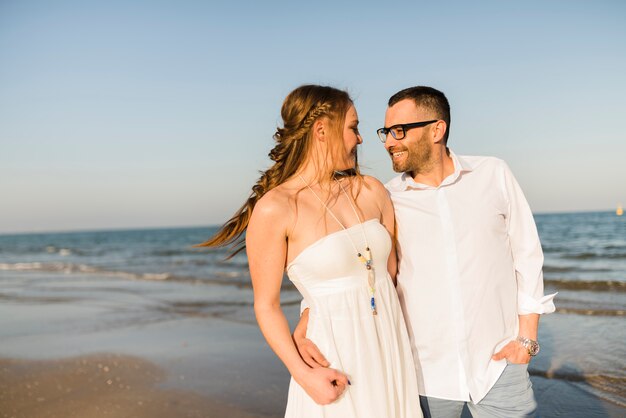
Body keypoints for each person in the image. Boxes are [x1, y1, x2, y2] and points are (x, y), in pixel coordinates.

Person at [295, 86, 557, 418]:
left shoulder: (493, 174)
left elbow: (528, 255)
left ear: (437, 129)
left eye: (399, 131)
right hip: (423, 377)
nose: (389, 141)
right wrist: (308, 317)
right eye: (385, 132)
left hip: (498, 368)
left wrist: (526, 340)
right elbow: (355, 267)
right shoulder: (385, 198)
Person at [199, 85, 422, 418]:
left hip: (389, 349)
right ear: (322, 130)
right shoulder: (276, 208)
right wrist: (305, 375)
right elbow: (266, 305)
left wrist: (306, 315)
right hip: (332, 359)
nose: (360, 139)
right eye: (354, 127)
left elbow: (388, 276)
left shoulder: (372, 191)